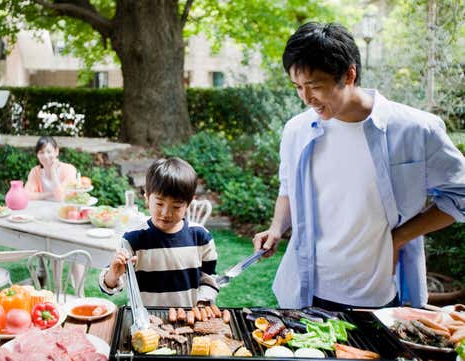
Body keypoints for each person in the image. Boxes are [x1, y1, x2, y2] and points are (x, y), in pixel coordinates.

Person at [253, 22, 465, 310]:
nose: (305, 98)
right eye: (298, 87)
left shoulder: (415, 129)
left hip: (380, 295)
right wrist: (277, 227)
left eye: (314, 86)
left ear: (349, 74)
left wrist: (400, 238)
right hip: (306, 292)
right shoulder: (296, 131)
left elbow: (460, 195)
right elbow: (289, 187)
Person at [99, 157, 218, 307]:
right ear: (147, 198)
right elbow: (109, 286)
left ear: (189, 203)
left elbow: (209, 278)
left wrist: (202, 302)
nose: (166, 213)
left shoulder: (201, 237)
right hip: (146, 322)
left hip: (188, 318)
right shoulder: (133, 238)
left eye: (176, 206)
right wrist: (113, 275)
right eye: (160, 203)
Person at [25, 136, 77, 202]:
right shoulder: (35, 172)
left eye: (49, 152)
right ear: (37, 155)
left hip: (64, 210)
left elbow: (60, 198)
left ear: (56, 151)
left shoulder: (69, 170)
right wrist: (50, 194)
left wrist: (53, 171)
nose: (45, 156)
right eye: (41, 152)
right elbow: (26, 195)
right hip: (41, 209)